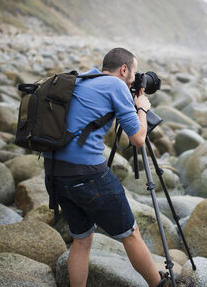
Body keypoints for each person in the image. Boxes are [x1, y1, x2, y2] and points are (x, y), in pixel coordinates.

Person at [44, 48, 175, 287]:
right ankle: (160, 284)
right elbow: (137, 139)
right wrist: (142, 108)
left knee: (81, 240)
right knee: (131, 234)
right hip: (87, 177)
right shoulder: (116, 86)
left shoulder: (82, 78)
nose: (135, 80)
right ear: (124, 70)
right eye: (134, 74)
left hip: (54, 172)